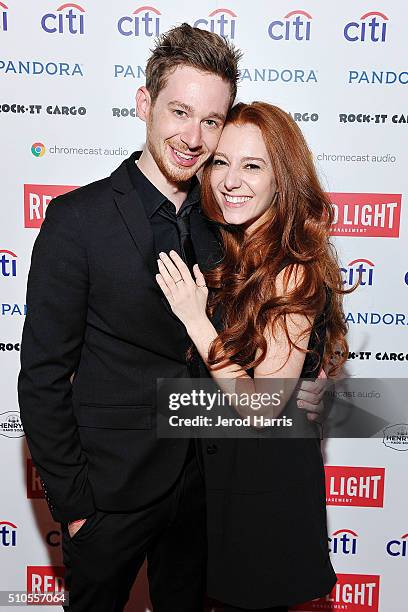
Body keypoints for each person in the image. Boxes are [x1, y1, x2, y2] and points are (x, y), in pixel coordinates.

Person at [18, 24, 327, 612]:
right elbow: (42, 379)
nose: (193, 136)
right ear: (144, 104)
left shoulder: (231, 219)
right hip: (111, 495)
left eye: (211, 120)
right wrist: (77, 507)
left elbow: (282, 320)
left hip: (208, 494)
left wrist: (311, 380)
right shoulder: (76, 221)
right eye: (179, 111)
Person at [156, 102, 348, 611]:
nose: (231, 180)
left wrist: (196, 321)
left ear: (281, 179)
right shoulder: (231, 249)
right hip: (224, 489)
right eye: (220, 162)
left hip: (265, 498)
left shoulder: (291, 269)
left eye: (253, 165)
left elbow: (262, 408)